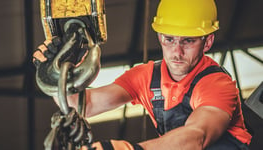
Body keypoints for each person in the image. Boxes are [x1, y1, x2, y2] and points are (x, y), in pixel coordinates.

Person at [33, 0, 252, 149]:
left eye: (188, 41)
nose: (177, 52)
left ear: (208, 42)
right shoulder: (147, 77)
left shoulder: (217, 84)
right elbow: (83, 106)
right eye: (169, 39)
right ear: (159, 37)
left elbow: (197, 136)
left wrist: (127, 148)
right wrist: (53, 74)